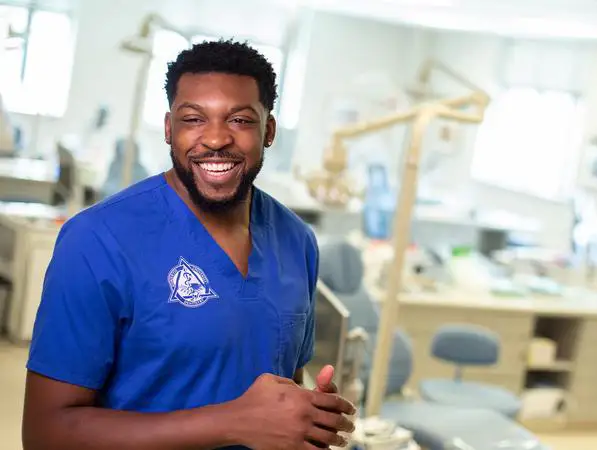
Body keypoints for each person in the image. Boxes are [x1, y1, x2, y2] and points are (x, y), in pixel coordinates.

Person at [22, 39, 355, 450]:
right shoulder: (96, 240)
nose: (215, 139)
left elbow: (284, 385)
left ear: (268, 131)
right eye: (194, 119)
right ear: (169, 128)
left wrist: (306, 417)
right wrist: (233, 422)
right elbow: (45, 433)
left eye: (240, 120)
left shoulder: (296, 241)